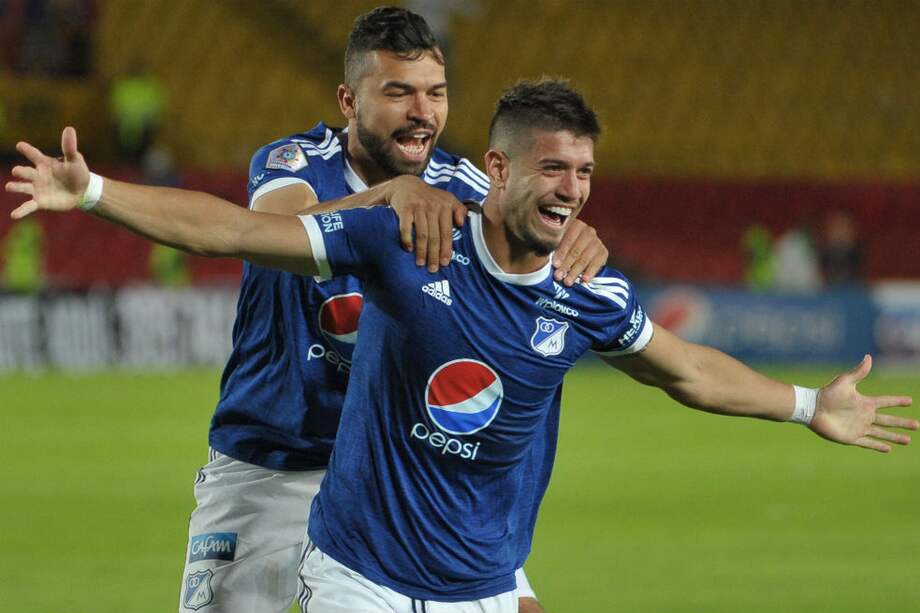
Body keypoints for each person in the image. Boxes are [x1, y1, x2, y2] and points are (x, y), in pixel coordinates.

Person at [8, 79, 916, 612]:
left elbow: (685, 369)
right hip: (358, 578)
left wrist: (807, 406)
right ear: (499, 168)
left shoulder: (586, 287)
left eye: (586, 172)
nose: (572, 189)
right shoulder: (407, 238)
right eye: (553, 167)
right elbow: (229, 233)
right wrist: (95, 195)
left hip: (484, 588)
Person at [8, 8, 608, 613]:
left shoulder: (467, 187)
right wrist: (92, 191)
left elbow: (537, 220)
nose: (422, 112)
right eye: (398, 92)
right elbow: (268, 228)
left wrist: (579, 238)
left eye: (435, 93)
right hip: (272, 465)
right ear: (349, 101)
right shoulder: (296, 161)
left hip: (401, 485)